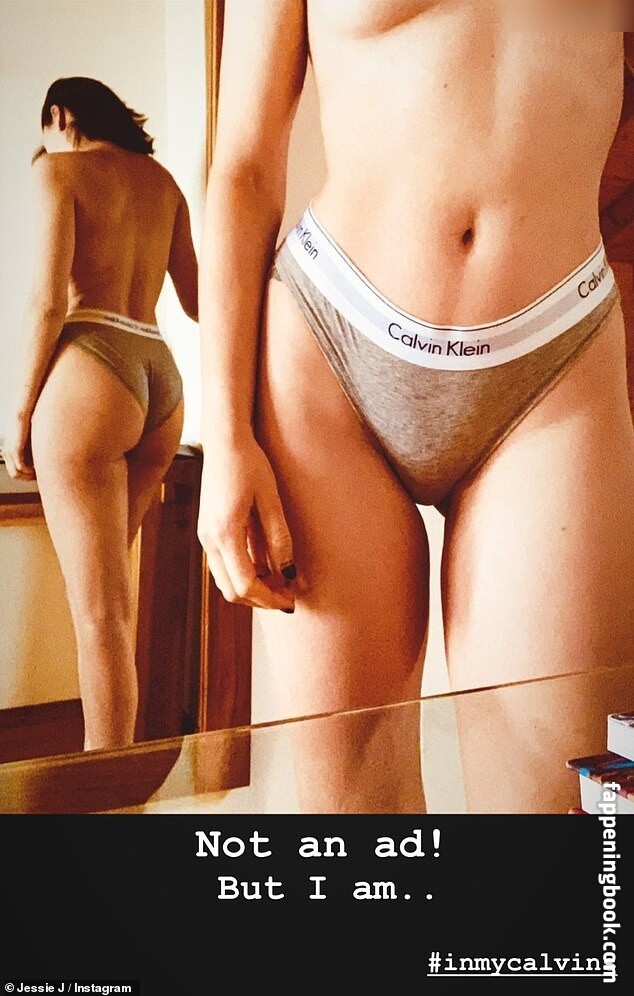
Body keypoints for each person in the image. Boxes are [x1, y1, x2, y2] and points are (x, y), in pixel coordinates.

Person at [197, 3, 634, 812]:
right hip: (332, 347)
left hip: (557, 353)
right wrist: (224, 435)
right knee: (357, 820)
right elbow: (243, 168)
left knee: (566, 814)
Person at [2, 77, 198, 751]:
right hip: (160, 378)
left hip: (91, 371)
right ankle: (118, 776)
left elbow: (46, 304)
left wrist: (19, 414)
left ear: (59, 115)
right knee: (113, 607)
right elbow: (199, 301)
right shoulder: (164, 184)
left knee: (99, 616)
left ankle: (107, 790)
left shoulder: (56, 171)